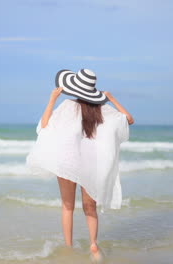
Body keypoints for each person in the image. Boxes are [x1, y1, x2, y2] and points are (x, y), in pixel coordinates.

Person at [26, 69, 134, 262]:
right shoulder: (103, 110)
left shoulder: (67, 106)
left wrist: (52, 99)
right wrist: (110, 98)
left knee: (67, 206)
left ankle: (69, 249)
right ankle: (93, 244)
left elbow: (44, 125)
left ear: (74, 88)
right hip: (92, 165)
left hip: (69, 162)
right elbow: (129, 119)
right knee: (89, 208)